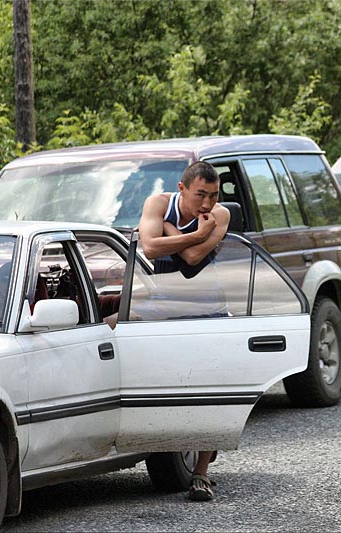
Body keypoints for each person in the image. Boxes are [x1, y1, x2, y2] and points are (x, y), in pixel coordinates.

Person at [137, 160, 230, 502]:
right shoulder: (158, 204)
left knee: (213, 388)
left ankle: (201, 473)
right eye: (200, 195)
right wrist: (197, 233)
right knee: (115, 329)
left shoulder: (221, 216)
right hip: (163, 303)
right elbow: (148, 247)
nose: (206, 204)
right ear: (182, 189)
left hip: (207, 305)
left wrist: (175, 234)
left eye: (214, 195)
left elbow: (191, 258)